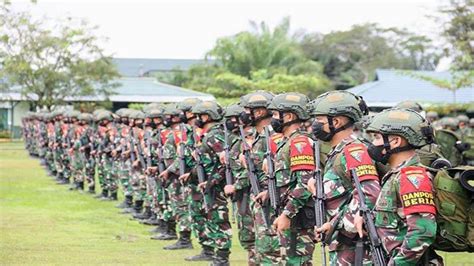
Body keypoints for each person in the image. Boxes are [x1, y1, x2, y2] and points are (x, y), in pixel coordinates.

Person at [307, 90, 381, 265]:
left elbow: (369, 194)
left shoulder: (354, 151)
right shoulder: (339, 152)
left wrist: (334, 225)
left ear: (337, 122)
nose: (314, 125)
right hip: (343, 246)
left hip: (356, 248)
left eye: (319, 120)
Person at [364, 107, 442, 265]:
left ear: (396, 141)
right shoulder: (396, 175)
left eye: (377, 137)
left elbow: (422, 232)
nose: (373, 143)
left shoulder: (412, 178)